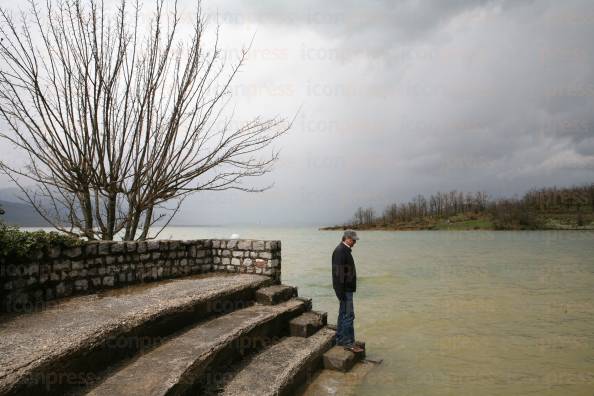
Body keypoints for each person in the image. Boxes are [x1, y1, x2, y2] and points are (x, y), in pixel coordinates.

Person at [332, 230, 364, 353]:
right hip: (345, 291)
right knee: (349, 316)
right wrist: (340, 293)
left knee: (343, 314)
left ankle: (340, 339)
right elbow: (338, 274)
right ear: (347, 239)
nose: (355, 242)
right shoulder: (341, 251)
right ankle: (349, 343)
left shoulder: (343, 250)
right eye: (354, 240)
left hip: (344, 290)